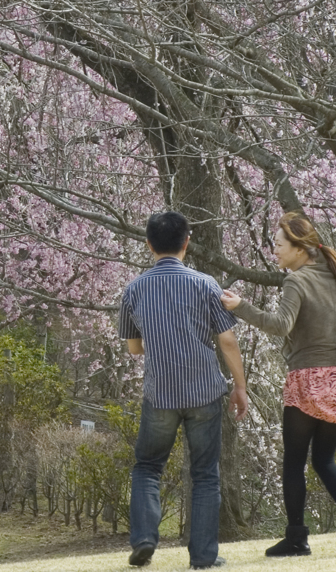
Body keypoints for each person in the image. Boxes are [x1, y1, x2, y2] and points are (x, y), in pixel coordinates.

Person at [220, 211, 336, 557]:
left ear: (299, 248)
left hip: (306, 377)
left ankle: (297, 537)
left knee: (294, 462)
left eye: (279, 245)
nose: (274, 251)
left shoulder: (297, 281)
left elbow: (281, 324)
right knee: (325, 460)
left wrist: (241, 306)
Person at [119, 211, 249, 570]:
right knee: (205, 473)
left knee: (147, 467)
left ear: (148, 245)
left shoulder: (134, 289)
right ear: (186, 242)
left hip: (160, 394)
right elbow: (227, 341)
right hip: (204, 393)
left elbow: (133, 348)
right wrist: (240, 386)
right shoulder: (205, 284)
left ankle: (145, 539)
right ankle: (204, 557)